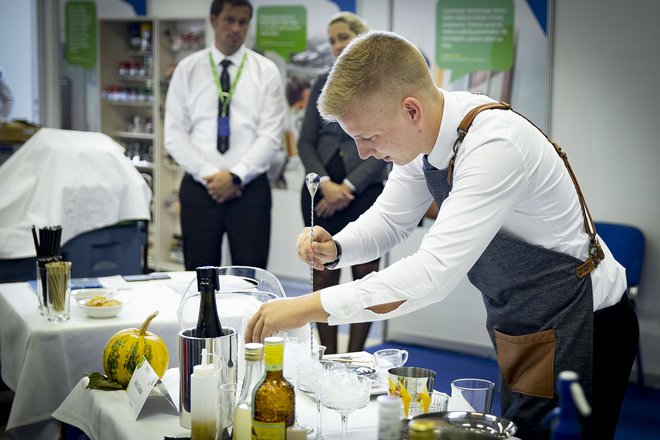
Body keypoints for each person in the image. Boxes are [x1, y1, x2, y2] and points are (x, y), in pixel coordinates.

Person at [245, 32, 638, 440]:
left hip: (584, 321)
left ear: (411, 110)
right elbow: (390, 220)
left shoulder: (494, 146)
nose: (362, 153)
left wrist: (307, 306)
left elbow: (432, 276)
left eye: (369, 137)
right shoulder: (426, 136)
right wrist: (338, 247)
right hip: (524, 321)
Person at [165, 0, 285, 270]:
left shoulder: (266, 71)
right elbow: (174, 134)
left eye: (243, 22)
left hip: (250, 189)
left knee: (251, 277)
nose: (236, 28)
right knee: (200, 277)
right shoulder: (188, 69)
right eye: (229, 20)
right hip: (200, 187)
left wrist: (236, 176)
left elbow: (270, 136)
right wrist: (211, 175)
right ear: (213, 21)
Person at [297, 12, 388, 355]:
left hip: (364, 194)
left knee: (365, 280)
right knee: (323, 278)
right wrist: (324, 184)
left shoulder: (379, 83)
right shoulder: (321, 81)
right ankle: (331, 357)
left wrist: (347, 187)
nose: (337, 45)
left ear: (360, 38)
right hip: (321, 196)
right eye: (332, 39)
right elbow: (306, 141)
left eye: (343, 37)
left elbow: (382, 145)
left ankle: (356, 357)